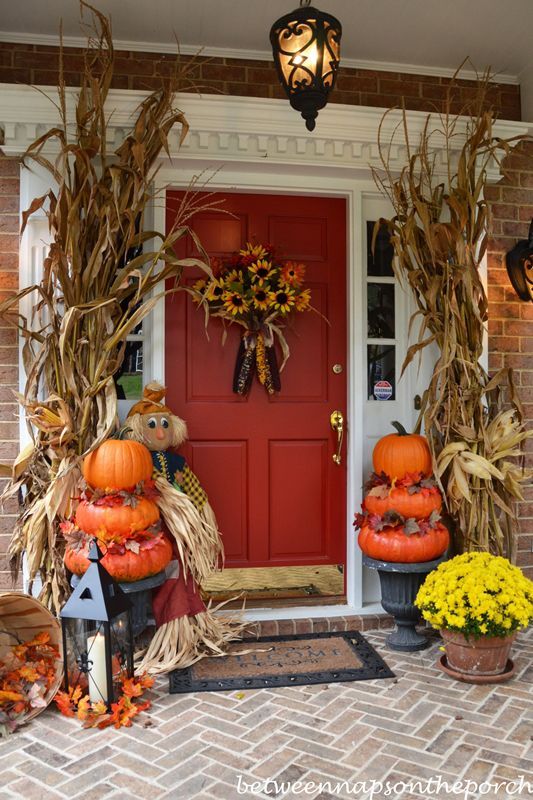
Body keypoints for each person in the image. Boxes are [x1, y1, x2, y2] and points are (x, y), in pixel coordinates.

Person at [125, 382, 242, 673]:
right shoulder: (137, 461)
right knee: (168, 571)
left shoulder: (177, 461)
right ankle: (172, 627)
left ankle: (191, 620)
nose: (160, 432)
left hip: (182, 529)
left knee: (183, 569)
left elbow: (193, 488)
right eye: (152, 425)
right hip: (156, 528)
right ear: (139, 429)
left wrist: (202, 511)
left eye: (164, 425)